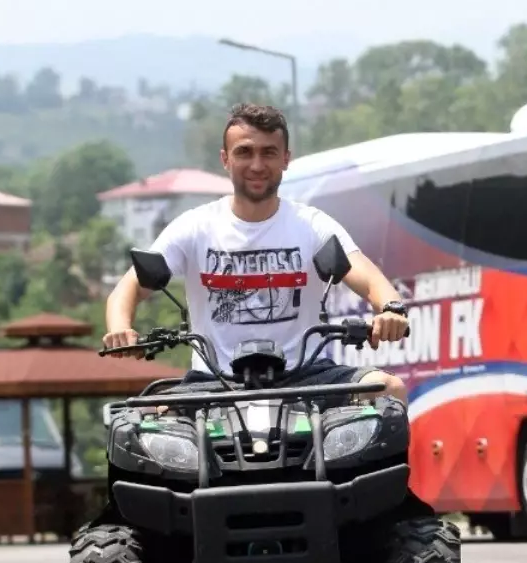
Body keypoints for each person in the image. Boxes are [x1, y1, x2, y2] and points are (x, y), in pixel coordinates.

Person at [102, 102, 410, 405]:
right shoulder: (195, 227)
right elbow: (127, 289)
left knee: (388, 389)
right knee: (153, 424)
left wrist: (391, 309)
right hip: (214, 383)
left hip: (305, 377)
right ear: (225, 159)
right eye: (244, 152)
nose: (257, 165)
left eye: (269, 152)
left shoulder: (312, 225)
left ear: (286, 159)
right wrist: (120, 329)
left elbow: (368, 277)